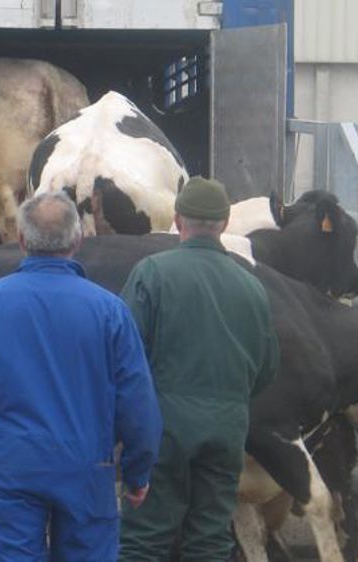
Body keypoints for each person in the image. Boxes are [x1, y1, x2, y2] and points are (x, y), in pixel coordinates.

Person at [0, 191, 162, 561]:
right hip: (87, 467)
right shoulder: (110, 311)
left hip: (11, 467)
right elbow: (138, 404)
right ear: (78, 239)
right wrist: (138, 473)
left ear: (22, 240)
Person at [119, 176, 279, 561]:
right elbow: (267, 368)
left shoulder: (151, 273)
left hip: (162, 426)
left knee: (145, 538)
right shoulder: (251, 285)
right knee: (209, 539)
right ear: (224, 223)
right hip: (227, 426)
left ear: (177, 219)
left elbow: (123, 356)